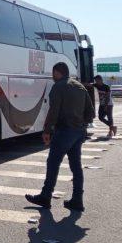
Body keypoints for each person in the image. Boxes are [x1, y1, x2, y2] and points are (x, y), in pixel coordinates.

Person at [26, 62, 95, 212]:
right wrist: (81, 125)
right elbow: (91, 113)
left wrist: (46, 131)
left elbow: (54, 111)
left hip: (64, 131)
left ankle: (46, 196)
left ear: (57, 72)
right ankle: (77, 200)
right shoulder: (80, 86)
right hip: (79, 132)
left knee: (53, 163)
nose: (52, 76)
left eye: (53, 73)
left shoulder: (58, 87)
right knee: (76, 166)